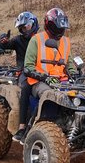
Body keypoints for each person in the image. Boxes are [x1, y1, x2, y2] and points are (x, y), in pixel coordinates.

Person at [21, 7, 76, 142]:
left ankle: (73, 126)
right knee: (50, 97)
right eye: (57, 28)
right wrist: (45, 77)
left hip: (62, 81)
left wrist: (74, 75)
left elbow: (69, 63)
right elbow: (28, 68)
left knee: (80, 97)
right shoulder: (37, 40)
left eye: (62, 28)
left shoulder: (65, 41)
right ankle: (32, 129)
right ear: (49, 25)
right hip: (39, 81)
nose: (60, 32)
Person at [0, 11, 39, 142]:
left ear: (34, 24)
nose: (25, 29)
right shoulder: (18, 40)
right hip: (24, 72)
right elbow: (3, 47)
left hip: (42, 72)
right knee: (26, 88)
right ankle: (22, 127)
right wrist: (3, 41)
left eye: (27, 26)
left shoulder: (41, 39)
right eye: (21, 28)